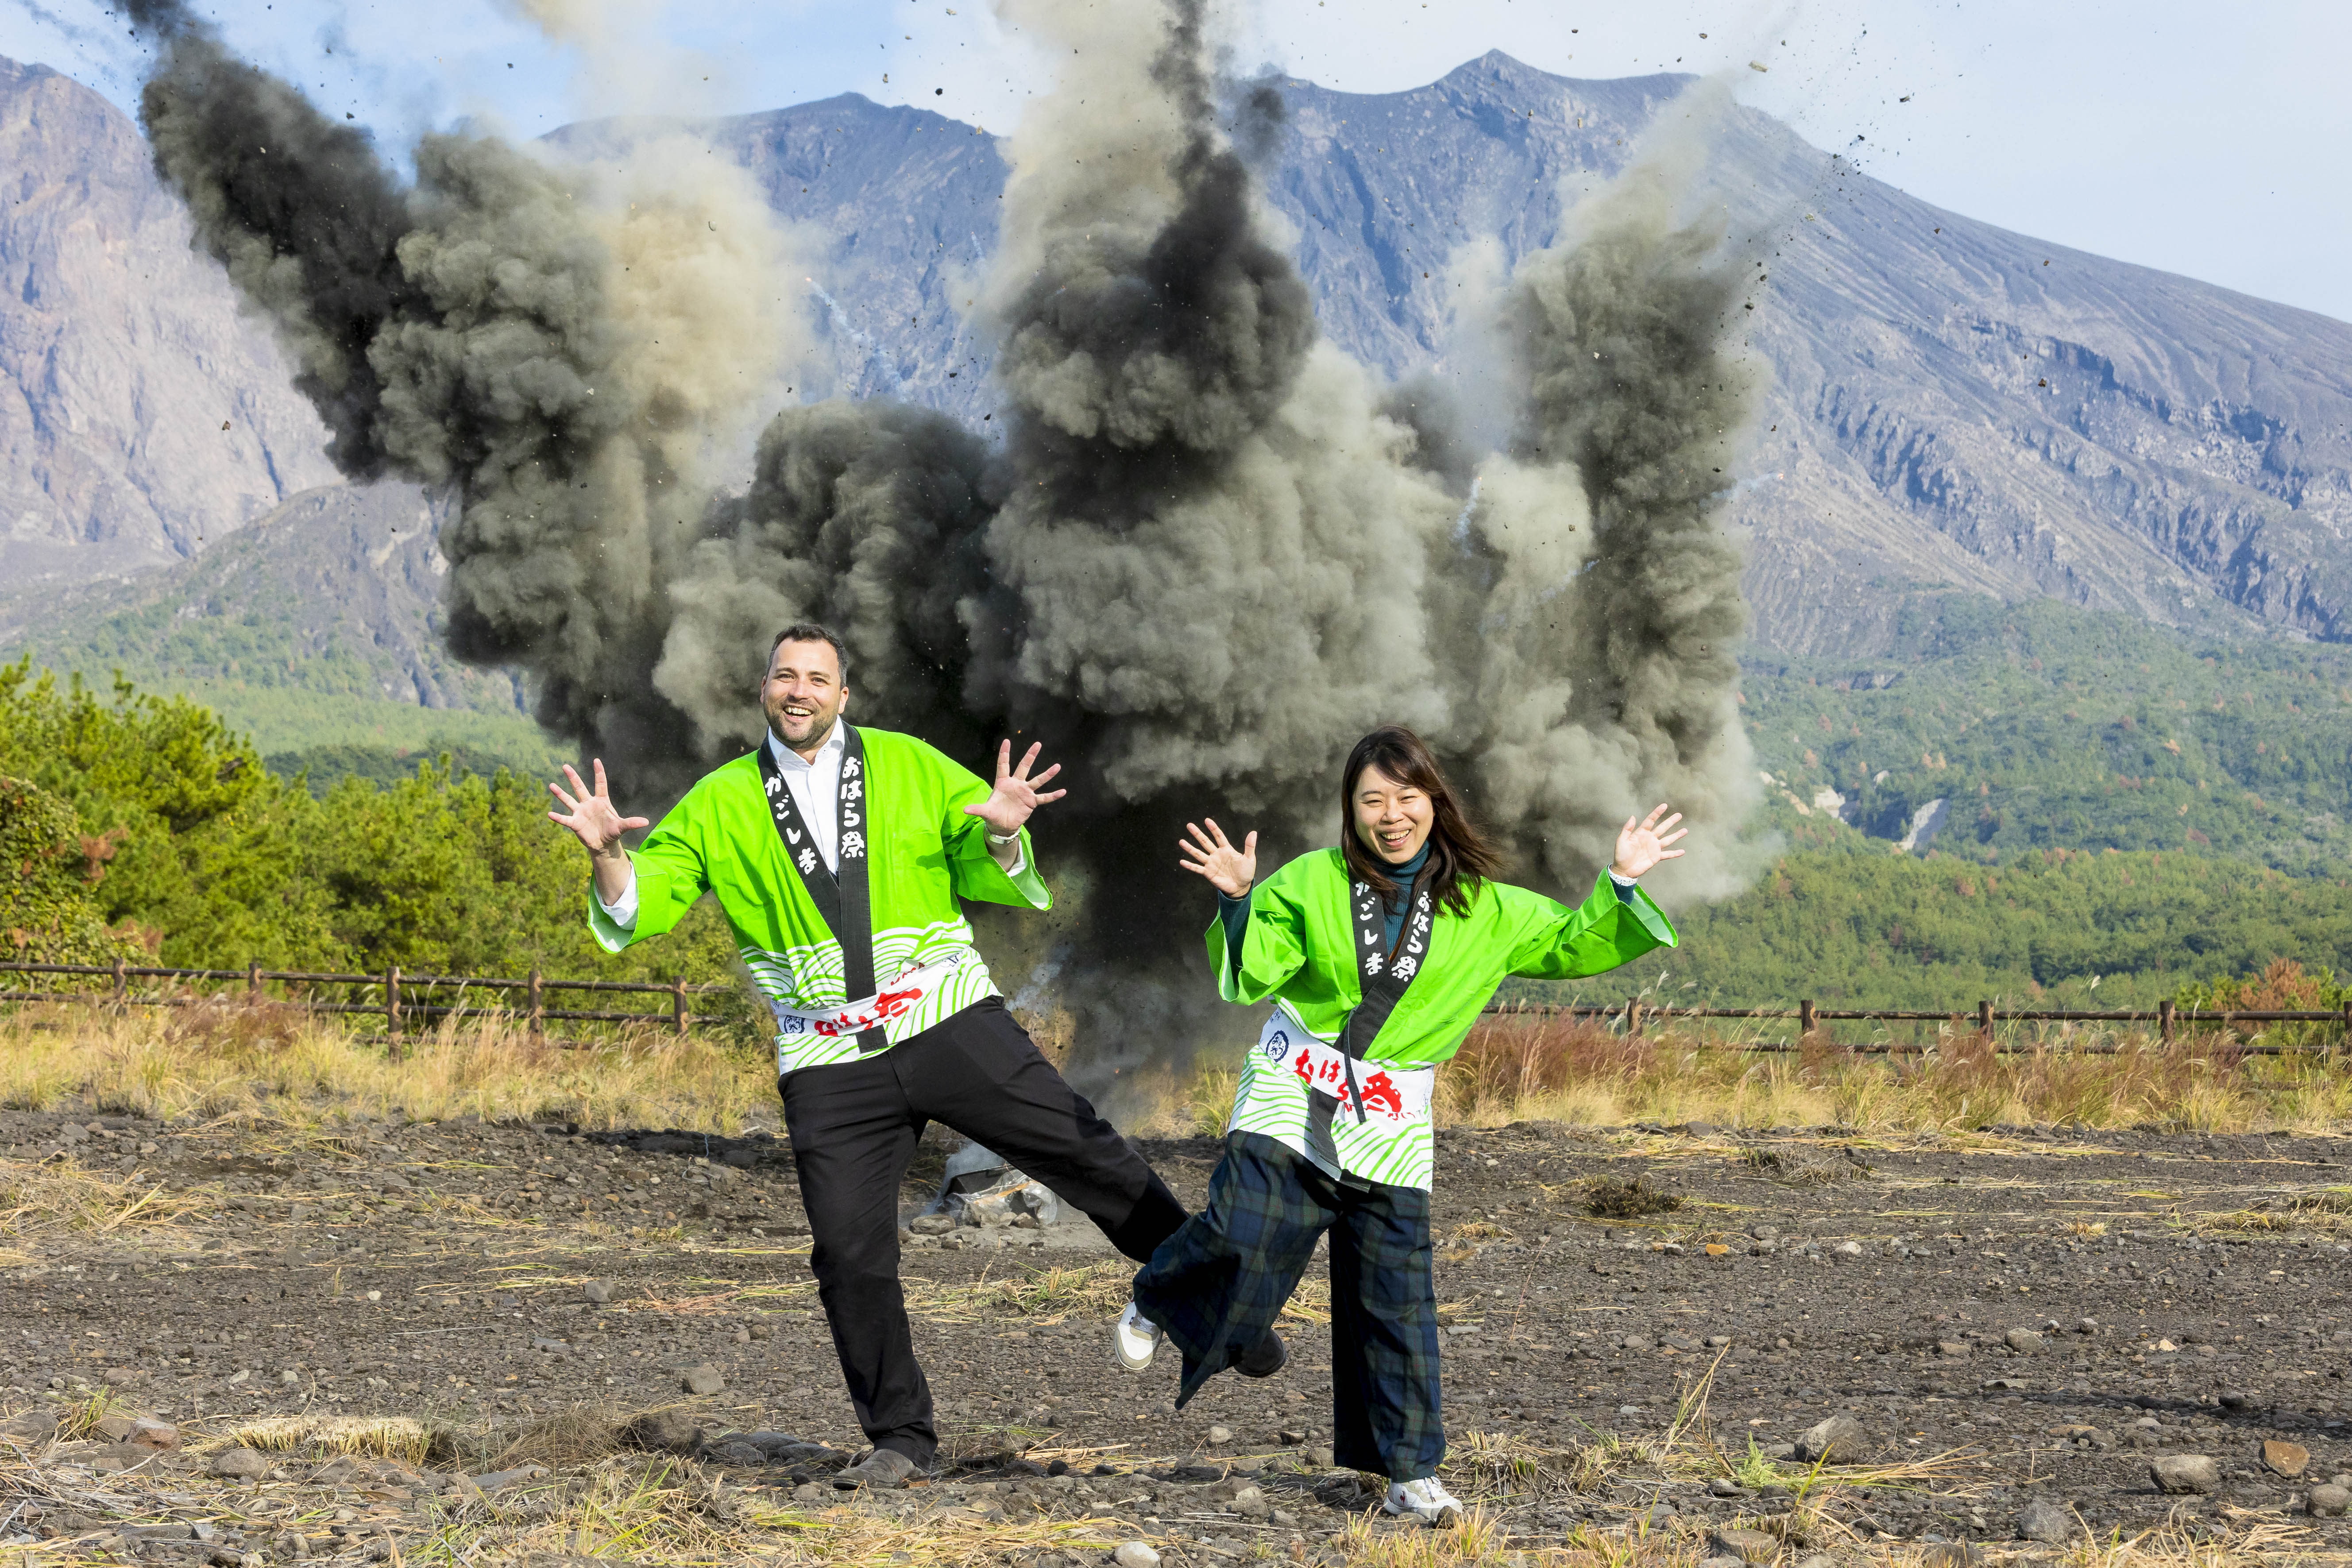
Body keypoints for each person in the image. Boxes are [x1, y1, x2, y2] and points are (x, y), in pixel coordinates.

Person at [545, 622, 1197, 1490]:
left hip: (943, 1015)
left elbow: (986, 853)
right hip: (828, 1059)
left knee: (1082, 1149)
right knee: (848, 1255)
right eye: (785, 675)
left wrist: (1005, 835)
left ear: (843, 694)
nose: (800, 690)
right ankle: (901, 1438)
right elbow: (643, 903)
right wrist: (608, 856)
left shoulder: (909, 762)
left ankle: (1207, 1291)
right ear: (764, 689)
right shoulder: (719, 800)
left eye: (818, 677)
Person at [1116, 725, 1686, 1526]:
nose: (1392, 815)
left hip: (1389, 1116)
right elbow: (1257, 966)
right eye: (1372, 800)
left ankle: (1409, 1473)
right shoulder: (1311, 879)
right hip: (1295, 1083)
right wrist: (1239, 899)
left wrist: (1619, 882)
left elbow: (1569, 943)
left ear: (1434, 802)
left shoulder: (1485, 904)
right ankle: (1155, 1294)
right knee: (1245, 1229)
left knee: (1395, 1297)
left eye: (1406, 796)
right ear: (1350, 811)